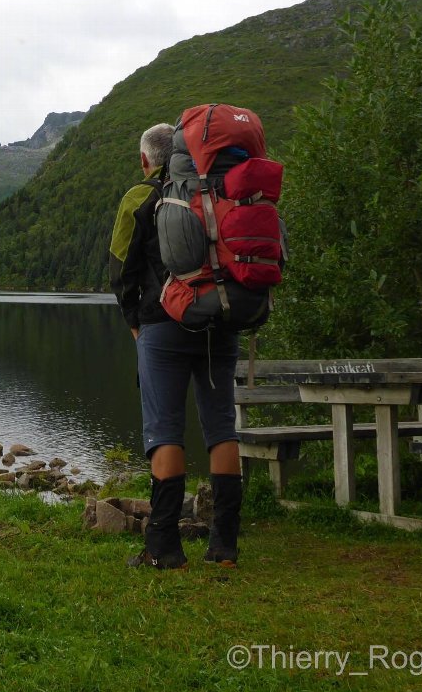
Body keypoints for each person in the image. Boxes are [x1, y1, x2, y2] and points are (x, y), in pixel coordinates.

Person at [108, 123, 243, 570]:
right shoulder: (215, 191)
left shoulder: (139, 197)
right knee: (221, 426)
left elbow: (120, 270)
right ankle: (224, 546)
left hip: (161, 326)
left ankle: (164, 548)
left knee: (164, 429)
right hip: (219, 324)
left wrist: (135, 324)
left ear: (147, 160)